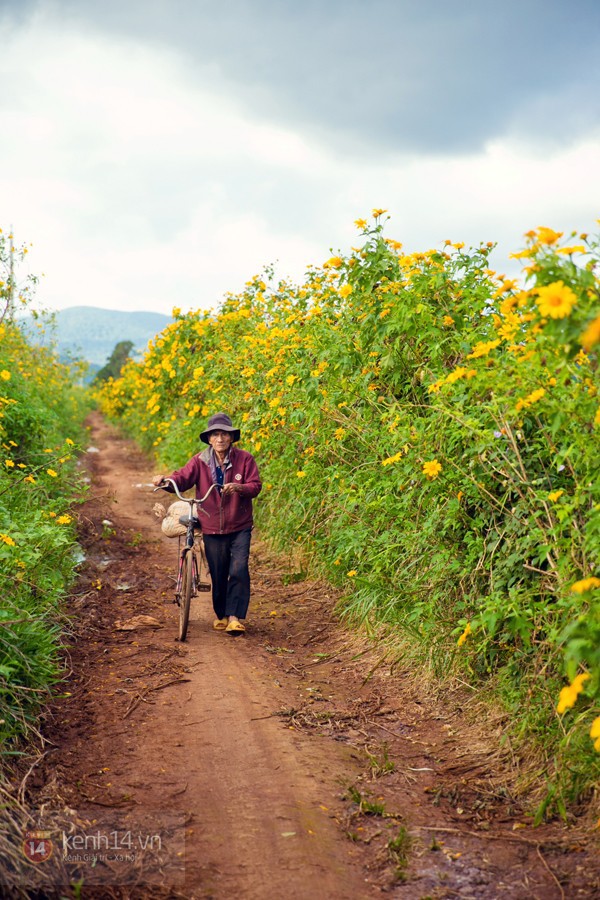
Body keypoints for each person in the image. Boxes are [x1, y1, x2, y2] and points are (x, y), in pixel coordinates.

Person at [152, 412, 262, 635]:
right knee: (219, 572)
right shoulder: (199, 461)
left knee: (239, 568)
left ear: (231, 438)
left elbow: (255, 486)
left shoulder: (245, 459)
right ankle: (221, 615)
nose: (220, 439)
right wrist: (165, 482)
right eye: (215, 435)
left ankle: (234, 617)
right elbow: (181, 478)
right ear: (209, 439)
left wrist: (239, 488)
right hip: (211, 524)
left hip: (239, 524)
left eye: (224, 434)